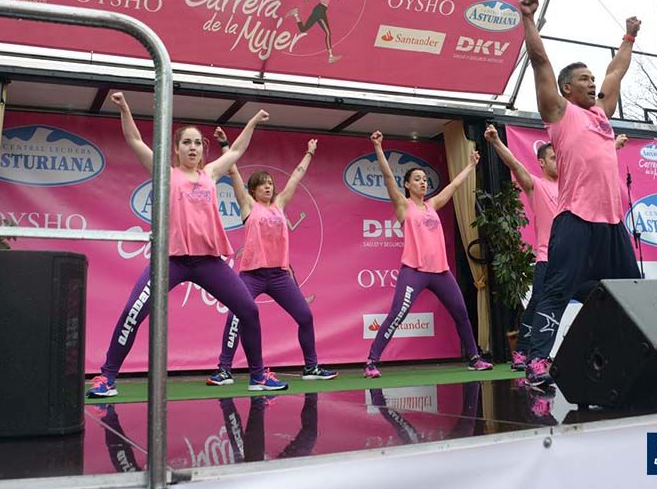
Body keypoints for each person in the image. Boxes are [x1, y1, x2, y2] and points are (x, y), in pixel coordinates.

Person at [87, 92, 287, 398]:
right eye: (186, 143)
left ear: (202, 149)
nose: (192, 147)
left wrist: (253, 121)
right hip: (172, 261)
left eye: (196, 143)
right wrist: (125, 108)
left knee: (248, 310)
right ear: (176, 149)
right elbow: (135, 140)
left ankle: (258, 376)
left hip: (208, 262)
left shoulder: (211, 173)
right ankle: (107, 377)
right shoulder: (166, 174)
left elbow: (237, 150)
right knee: (132, 311)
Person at [518, 0, 642, 387]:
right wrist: (528, 19)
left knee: (632, 293)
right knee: (555, 292)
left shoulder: (602, 115)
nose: (592, 83)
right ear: (566, 89)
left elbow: (616, 72)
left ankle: (633, 357)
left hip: (612, 224)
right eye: (584, 79)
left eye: (592, 78)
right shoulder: (559, 113)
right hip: (574, 221)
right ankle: (537, 362)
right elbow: (540, 61)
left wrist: (628, 37)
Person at [484, 125, 628, 371]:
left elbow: (592, 165)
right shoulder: (536, 186)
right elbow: (515, 165)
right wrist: (496, 141)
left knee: (600, 297)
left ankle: (598, 350)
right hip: (548, 260)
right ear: (541, 162)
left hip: (578, 263)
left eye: (560, 158)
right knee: (539, 304)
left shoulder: (572, 188)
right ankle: (525, 354)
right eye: (553, 158)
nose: (558, 163)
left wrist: (612, 146)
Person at [206, 127, 338, 385]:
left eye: (270, 183)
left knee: (305, 316)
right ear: (253, 190)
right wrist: (224, 143)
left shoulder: (279, 204)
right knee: (235, 316)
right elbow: (233, 171)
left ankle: (311, 367)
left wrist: (309, 153)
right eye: (262, 184)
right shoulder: (248, 205)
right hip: (252, 275)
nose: (268, 186)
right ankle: (224, 370)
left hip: (278, 275)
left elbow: (296, 176)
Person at [362, 130, 493, 378]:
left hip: (440, 272)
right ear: (407, 185)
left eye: (424, 179)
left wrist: (470, 165)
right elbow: (388, 177)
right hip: (414, 271)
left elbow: (454, 186)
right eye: (417, 179)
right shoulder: (404, 206)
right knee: (397, 314)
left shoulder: (432, 204)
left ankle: (474, 358)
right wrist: (378, 147)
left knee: (461, 313)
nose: (423, 182)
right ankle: (372, 361)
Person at [285, 0, 354, 64]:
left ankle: (295, 14)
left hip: (322, 10)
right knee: (328, 33)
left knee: (303, 29)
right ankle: (330, 56)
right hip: (319, 10)